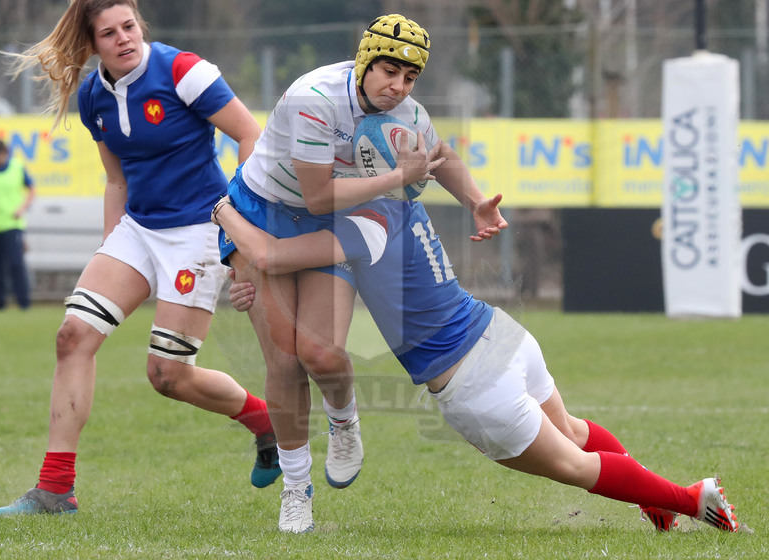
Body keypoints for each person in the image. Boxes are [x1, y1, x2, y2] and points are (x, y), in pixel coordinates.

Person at [213, 185, 741, 535]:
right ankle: (655, 503)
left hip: (474, 383)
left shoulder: (359, 228)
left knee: (578, 466)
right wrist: (249, 288)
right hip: (503, 335)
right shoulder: (401, 202)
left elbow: (270, 256)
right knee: (575, 433)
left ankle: (691, 498)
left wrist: (223, 212)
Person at [0, 0, 280, 516]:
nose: (123, 38)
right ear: (92, 43)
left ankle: (265, 422)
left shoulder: (184, 71)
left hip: (198, 230)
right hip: (139, 229)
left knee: (167, 375)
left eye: (129, 26)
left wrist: (240, 222)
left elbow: (249, 134)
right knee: (72, 337)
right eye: (109, 33)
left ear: (140, 25)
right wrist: (110, 244)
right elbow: (117, 179)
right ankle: (55, 489)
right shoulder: (92, 97)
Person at [217, 13, 505, 533]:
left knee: (322, 353)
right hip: (264, 210)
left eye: (410, 77)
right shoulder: (315, 100)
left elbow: (438, 155)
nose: (398, 86)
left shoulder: (408, 113)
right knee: (284, 361)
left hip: (330, 221)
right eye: (389, 71)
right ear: (364, 61)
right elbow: (316, 193)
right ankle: (296, 489)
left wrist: (478, 202)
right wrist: (398, 177)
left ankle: (344, 421)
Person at [0, 140, 35, 310]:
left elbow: (31, 189)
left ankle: (23, 302)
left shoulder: (17, 167)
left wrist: (22, 208)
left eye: (1, 154)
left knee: (16, 263)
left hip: (12, 223)